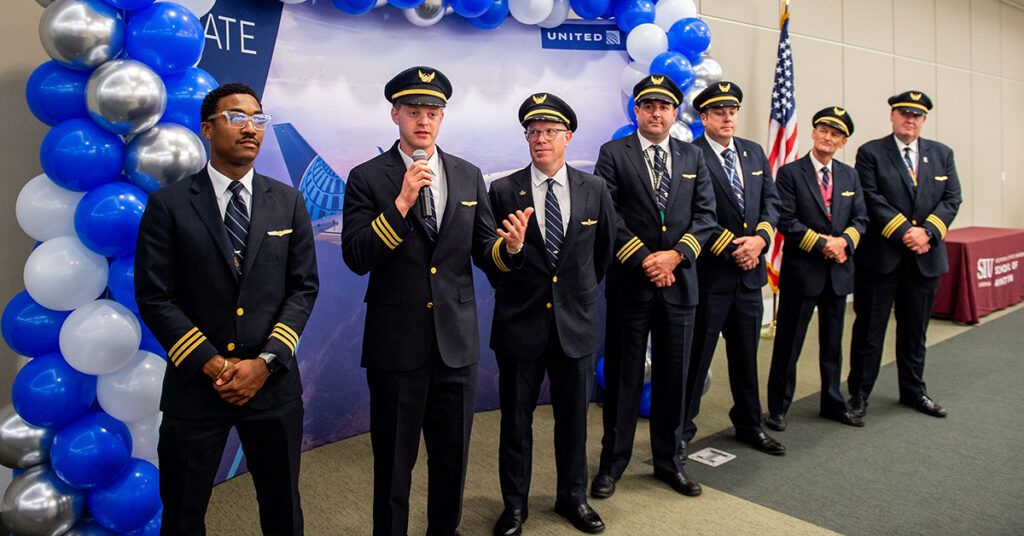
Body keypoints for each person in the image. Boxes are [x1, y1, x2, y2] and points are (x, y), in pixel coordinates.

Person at [341, 66, 531, 536]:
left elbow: (485, 251)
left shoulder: (467, 176)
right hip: (396, 346)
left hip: (456, 346)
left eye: (432, 112)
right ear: (395, 115)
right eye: (413, 112)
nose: (422, 121)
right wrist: (401, 204)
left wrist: (509, 250)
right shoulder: (367, 177)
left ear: (442, 117)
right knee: (392, 468)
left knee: (451, 464)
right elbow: (357, 256)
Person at [135, 82, 319, 535]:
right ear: (207, 129)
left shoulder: (289, 201)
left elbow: (303, 289)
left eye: (258, 119)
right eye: (237, 118)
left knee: (282, 509)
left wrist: (265, 363)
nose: (251, 128)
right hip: (197, 390)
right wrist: (214, 365)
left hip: (272, 389)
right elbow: (156, 297)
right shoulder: (169, 205)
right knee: (183, 511)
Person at [486, 93, 615, 536]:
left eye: (549, 132)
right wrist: (515, 254)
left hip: (576, 326)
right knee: (516, 424)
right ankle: (514, 508)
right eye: (533, 131)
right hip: (520, 325)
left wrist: (572, 297)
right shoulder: (503, 190)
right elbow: (493, 262)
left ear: (567, 137)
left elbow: (602, 257)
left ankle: (572, 499)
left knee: (573, 421)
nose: (540, 139)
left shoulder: (594, 189)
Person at [590, 74, 717, 500]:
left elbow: (706, 216)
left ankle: (669, 462)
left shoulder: (693, 156)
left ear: (675, 112)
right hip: (632, 284)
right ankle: (613, 464)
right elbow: (607, 213)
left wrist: (675, 256)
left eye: (664, 106)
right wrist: (647, 258)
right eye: (648, 105)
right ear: (637, 111)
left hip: (680, 285)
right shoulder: (614, 153)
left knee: (673, 378)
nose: (656, 113)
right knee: (625, 378)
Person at [684, 81, 785, 456]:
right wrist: (734, 248)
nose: (728, 118)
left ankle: (748, 423)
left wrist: (759, 240)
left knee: (746, 356)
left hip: (750, 274)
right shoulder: (689, 155)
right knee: (697, 359)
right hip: (712, 276)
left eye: (732, 111)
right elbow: (692, 215)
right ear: (705, 117)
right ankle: (681, 429)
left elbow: (771, 204)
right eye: (719, 112)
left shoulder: (754, 153)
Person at [847, 90, 962, 419]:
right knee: (870, 331)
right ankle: (859, 395)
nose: (909, 119)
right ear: (892, 116)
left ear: (924, 120)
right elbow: (870, 197)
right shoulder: (870, 153)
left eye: (916, 115)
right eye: (903, 113)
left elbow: (952, 198)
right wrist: (905, 232)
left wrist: (926, 232)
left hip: (925, 259)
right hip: (882, 259)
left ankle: (914, 391)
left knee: (915, 331)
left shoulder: (942, 154)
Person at [765, 106, 868, 432]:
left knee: (833, 344)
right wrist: (823, 244)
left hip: (838, 273)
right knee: (789, 344)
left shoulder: (850, 175)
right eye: (823, 130)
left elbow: (861, 219)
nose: (828, 137)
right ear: (812, 133)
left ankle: (832, 402)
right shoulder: (791, 172)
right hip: (803, 272)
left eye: (835, 134)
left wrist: (844, 243)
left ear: (843, 141)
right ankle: (778, 407)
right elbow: (785, 219)